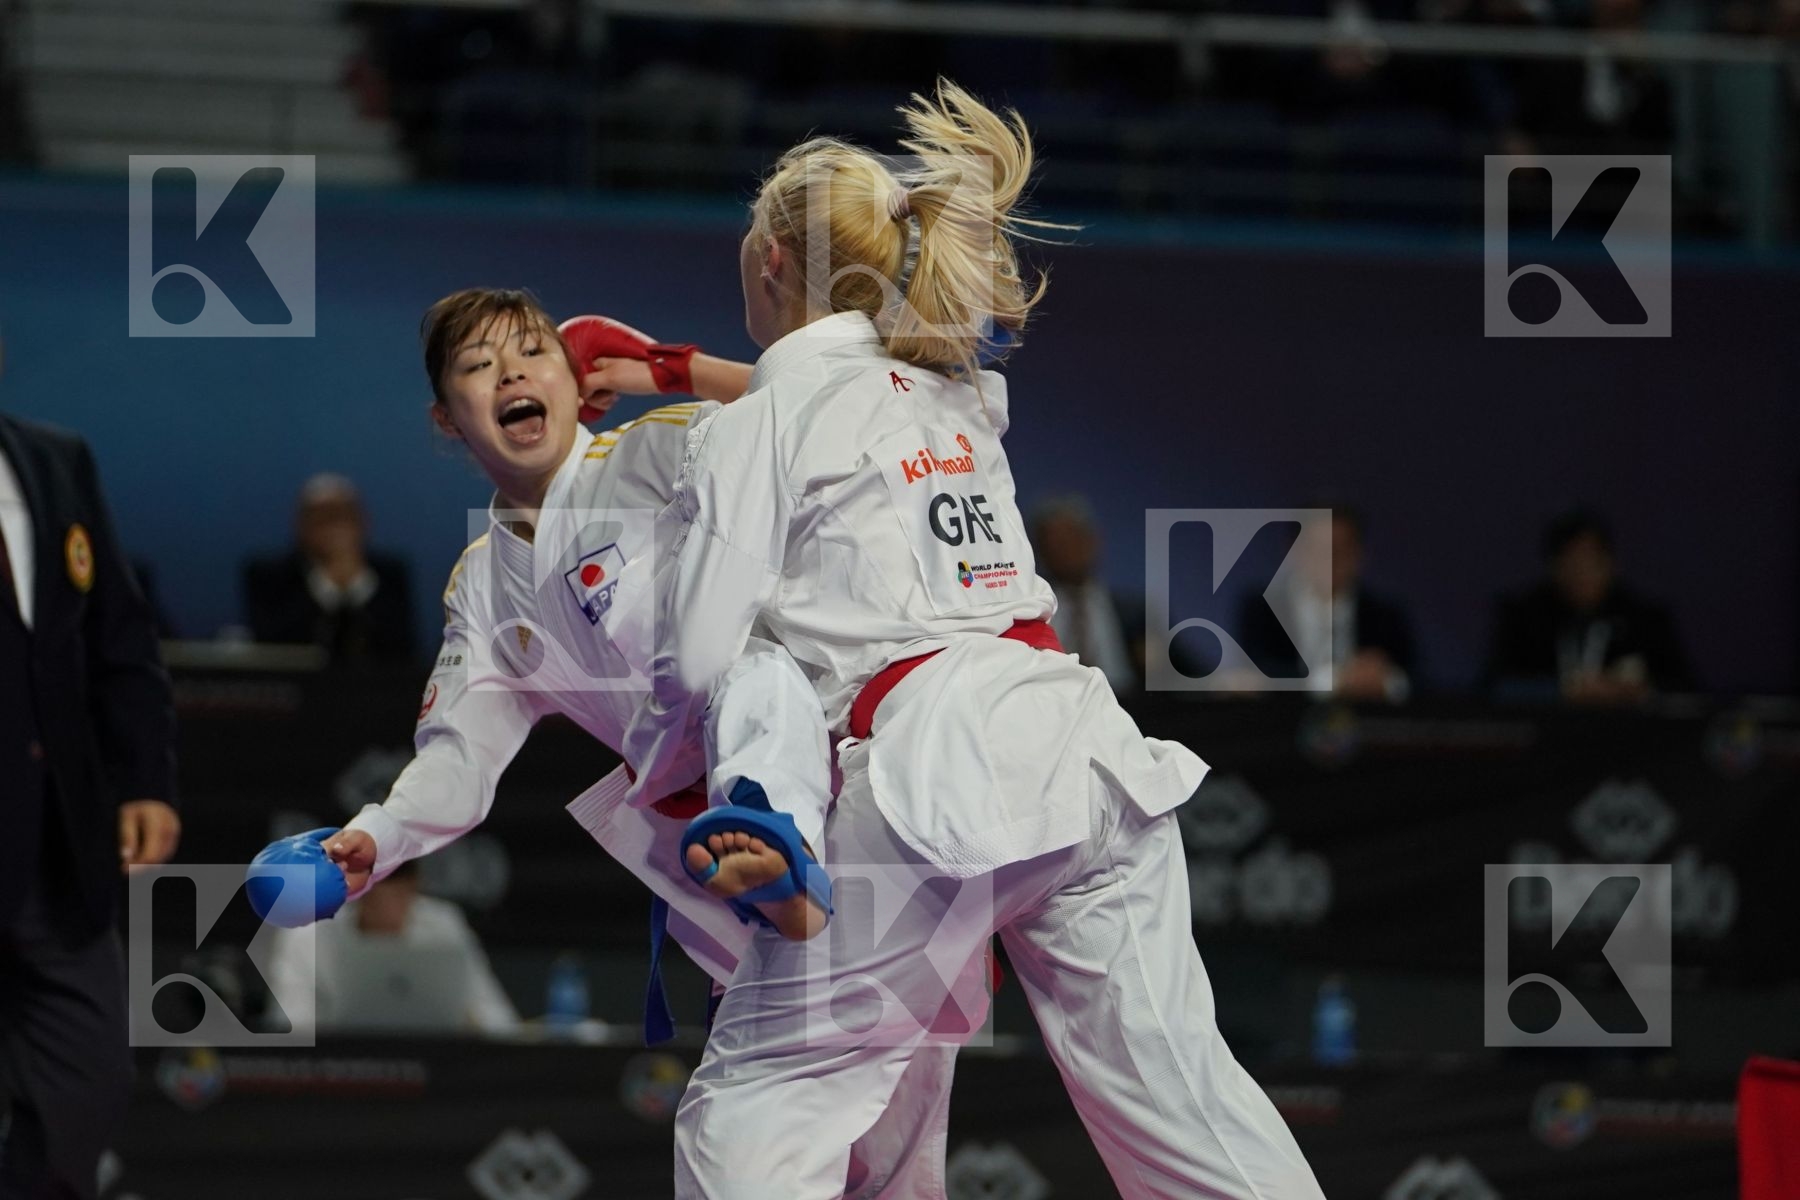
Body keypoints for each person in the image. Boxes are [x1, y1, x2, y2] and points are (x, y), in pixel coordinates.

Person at [611, 81, 1324, 1199]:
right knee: (1186, 1105)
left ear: (770, 263)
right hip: (1084, 753)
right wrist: (681, 371)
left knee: (763, 1091)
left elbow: (699, 659)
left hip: (933, 778)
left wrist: (658, 766)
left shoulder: (762, 426)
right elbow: (837, 391)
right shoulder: (955, 390)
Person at [308, 288, 963, 1199]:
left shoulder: (652, 451)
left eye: (532, 353)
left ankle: (776, 828)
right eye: (479, 367)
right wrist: (376, 838)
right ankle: (769, 861)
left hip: (845, 801)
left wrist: (674, 368)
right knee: (812, 1155)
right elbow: (459, 759)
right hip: (718, 874)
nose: (510, 374)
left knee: (742, 662)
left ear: (577, 383)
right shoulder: (484, 590)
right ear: (447, 419)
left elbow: (817, 406)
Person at [0, 407, 180, 1200]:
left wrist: (144, 779)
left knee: (88, 1081)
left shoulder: (55, 459)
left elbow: (119, 635)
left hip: (58, 848)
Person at [263, 859, 518, 1037]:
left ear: (414, 885)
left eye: (398, 890)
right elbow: (292, 1028)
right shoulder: (307, 932)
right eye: (373, 890)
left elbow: (498, 1020)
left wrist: (474, 1024)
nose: (386, 906)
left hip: (435, 1071)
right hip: (339, 1074)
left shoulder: (445, 926)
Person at [1484, 508, 1694, 703]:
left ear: (1610, 564)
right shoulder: (1524, 617)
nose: (1581, 573)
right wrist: (1563, 690)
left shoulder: (1645, 620)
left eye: (1591, 561)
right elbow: (1494, 688)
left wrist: (1637, 690)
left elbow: (1687, 690)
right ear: (1553, 567)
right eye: (1570, 562)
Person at [1237, 506, 1417, 701]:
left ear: (1359, 553)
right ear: (1294, 551)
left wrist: (1387, 680)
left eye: (1341, 549)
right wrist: (1336, 680)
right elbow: (1257, 676)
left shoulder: (1385, 615)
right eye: (1318, 548)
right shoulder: (1263, 608)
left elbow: (1418, 679)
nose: (1330, 559)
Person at [242, 473, 417, 664]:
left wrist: (357, 583)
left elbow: (401, 646)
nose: (334, 528)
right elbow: (273, 645)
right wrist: (328, 585)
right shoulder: (269, 575)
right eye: (322, 517)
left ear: (363, 522)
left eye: (343, 516)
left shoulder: (388, 573)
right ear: (301, 525)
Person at [1029, 495, 1138, 694]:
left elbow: (1177, 670)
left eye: (1073, 540)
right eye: (1056, 543)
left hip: (1125, 703)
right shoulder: (1032, 611)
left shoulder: (1133, 613)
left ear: (1092, 542)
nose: (1066, 552)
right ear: (1039, 551)